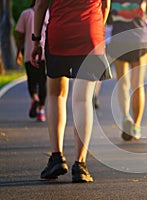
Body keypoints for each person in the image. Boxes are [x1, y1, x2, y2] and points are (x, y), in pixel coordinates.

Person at [31, 0, 111, 182]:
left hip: (60, 33)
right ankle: (80, 165)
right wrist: (98, 28)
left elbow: (40, 5)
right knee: (83, 100)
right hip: (90, 33)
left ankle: (56, 157)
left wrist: (36, 41)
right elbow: (105, 5)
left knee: (55, 94)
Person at [109, 0, 147, 141]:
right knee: (138, 85)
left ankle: (126, 116)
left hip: (118, 39)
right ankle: (136, 126)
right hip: (139, 39)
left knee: (123, 83)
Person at [15, 0, 49, 122]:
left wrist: (19, 51)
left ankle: (34, 97)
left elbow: (20, 35)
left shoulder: (25, 14)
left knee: (32, 80)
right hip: (45, 54)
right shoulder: (48, 13)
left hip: (30, 53)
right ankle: (41, 110)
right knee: (43, 81)